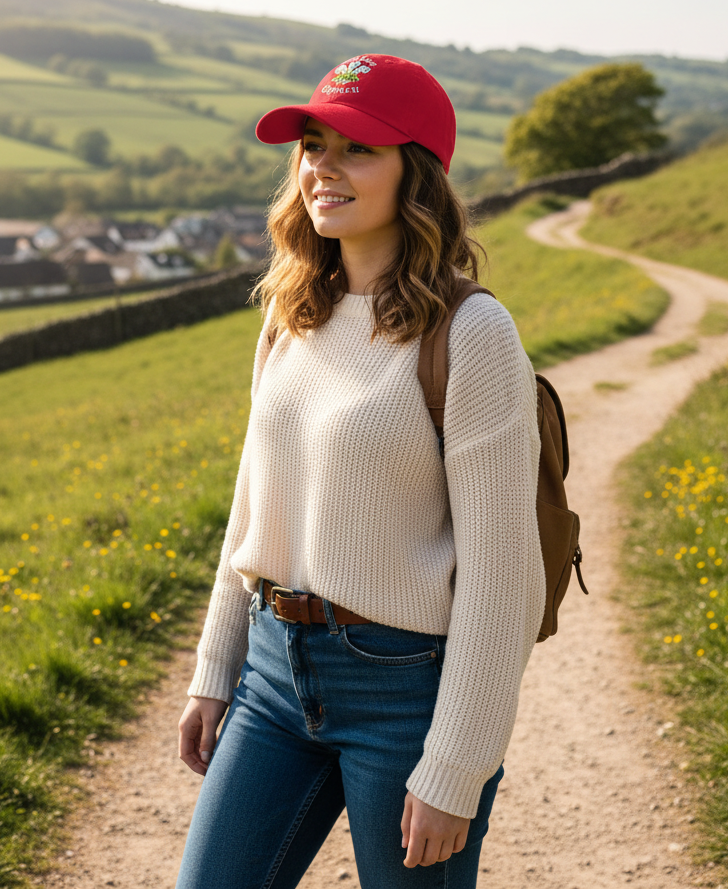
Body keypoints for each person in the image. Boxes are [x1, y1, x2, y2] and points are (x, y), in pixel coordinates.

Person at [175, 54, 545, 889]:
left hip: (402, 693)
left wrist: (457, 764)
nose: (322, 168)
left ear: (416, 174)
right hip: (272, 678)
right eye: (313, 142)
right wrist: (216, 668)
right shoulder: (289, 310)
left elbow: (501, 575)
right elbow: (252, 508)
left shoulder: (471, 333)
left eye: (357, 149)